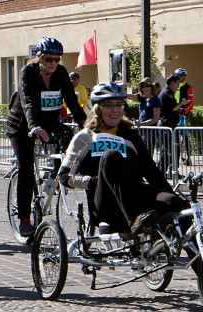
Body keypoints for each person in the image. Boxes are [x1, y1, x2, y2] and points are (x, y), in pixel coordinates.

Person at [58, 81, 188, 237]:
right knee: (111, 155)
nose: (115, 110)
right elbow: (65, 176)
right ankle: (133, 220)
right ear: (98, 109)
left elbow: (150, 171)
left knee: (176, 203)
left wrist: (177, 198)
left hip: (136, 197)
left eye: (119, 105)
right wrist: (96, 181)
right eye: (109, 105)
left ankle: (201, 256)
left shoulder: (130, 135)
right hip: (105, 205)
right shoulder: (85, 137)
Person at [7, 37, 86, 237]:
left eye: (57, 59)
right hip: (23, 124)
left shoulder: (60, 73)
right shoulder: (27, 72)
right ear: (39, 57)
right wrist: (33, 126)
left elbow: (72, 102)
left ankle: (55, 178)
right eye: (49, 59)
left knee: (70, 148)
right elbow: (27, 102)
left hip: (50, 122)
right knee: (26, 169)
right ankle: (25, 218)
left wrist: (89, 126)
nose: (53, 63)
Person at [157, 74, 188, 175]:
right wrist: (181, 103)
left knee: (166, 150)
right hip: (167, 125)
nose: (178, 86)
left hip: (167, 125)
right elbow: (173, 108)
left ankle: (163, 172)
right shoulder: (168, 93)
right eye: (177, 84)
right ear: (172, 83)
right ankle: (167, 171)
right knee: (170, 150)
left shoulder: (166, 92)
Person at [174, 68, 194, 165]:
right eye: (178, 76)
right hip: (174, 115)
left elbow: (191, 102)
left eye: (181, 76)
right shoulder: (173, 86)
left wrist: (184, 110)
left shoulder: (188, 87)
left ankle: (188, 157)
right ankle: (176, 159)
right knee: (175, 138)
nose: (179, 78)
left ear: (184, 77)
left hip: (183, 116)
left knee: (185, 137)